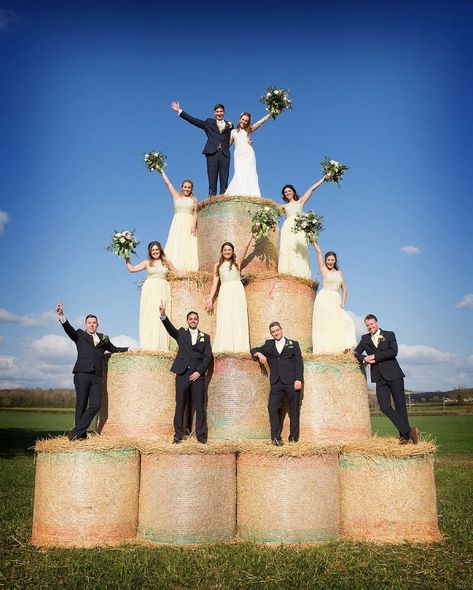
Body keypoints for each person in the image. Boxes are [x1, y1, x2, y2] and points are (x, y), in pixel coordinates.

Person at [56, 302, 128, 441]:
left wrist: (129, 349)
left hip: (97, 376)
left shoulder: (104, 338)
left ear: (97, 325)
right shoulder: (79, 335)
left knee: (96, 405)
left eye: (94, 322)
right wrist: (61, 316)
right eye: (89, 322)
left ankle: (75, 432)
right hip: (82, 374)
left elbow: (114, 348)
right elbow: (68, 329)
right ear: (85, 325)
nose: (91, 324)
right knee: (81, 404)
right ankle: (81, 435)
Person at [354, 314, 419, 444]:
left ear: (376, 322)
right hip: (379, 378)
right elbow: (356, 352)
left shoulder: (389, 334)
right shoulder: (365, 338)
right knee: (384, 407)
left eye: (371, 324)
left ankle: (404, 437)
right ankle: (409, 430)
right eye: (367, 325)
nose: (370, 327)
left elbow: (393, 352)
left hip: (395, 375)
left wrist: (374, 357)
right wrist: (364, 358)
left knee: (400, 407)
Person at [159, 301, 213, 443]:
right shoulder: (181, 334)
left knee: (200, 407)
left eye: (195, 318)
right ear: (187, 321)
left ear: (198, 320)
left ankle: (201, 437)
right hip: (182, 374)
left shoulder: (205, 337)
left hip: (198, 376)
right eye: (190, 319)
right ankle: (178, 435)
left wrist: (199, 372)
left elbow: (208, 356)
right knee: (180, 405)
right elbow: (170, 329)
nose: (193, 320)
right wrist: (163, 315)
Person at [251, 322, 304, 445]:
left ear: (281, 329)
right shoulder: (269, 345)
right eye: (273, 332)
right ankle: (276, 438)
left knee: (294, 411)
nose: (276, 333)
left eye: (277, 330)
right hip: (276, 383)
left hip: (292, 382)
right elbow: (253, 350)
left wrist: (298, 379)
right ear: (271, 333)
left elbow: (299, 363)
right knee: (272, 408)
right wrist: (259, 353)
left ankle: (293, 439)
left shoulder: (293, 344)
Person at [171, 101, 233, 196]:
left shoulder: (230, 124)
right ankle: (212, 200)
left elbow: (237, 134)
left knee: (224, 181)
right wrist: (179, 111)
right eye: (217, 111)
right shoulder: (209, 122)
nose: (219, 113)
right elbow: (194, 121)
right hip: (212, 153)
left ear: (224, 112)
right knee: (212, 180)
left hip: (225, 154)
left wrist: (247, 138)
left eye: (221, 111)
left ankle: (223, 199)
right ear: (214, 113)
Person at [125, 241, 177, 351]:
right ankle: (149, 345)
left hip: (162, 288)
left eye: (157, 249)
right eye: (153, 250)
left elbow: (177, 273)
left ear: (160, 250)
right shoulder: (147, 262)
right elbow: (132, 269)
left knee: (161, 314)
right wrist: (126, 256)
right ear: (150, 252)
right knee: (150, 315)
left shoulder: (166, 262)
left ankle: (161, 344)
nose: (155, 252)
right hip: (150, 290)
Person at [205, 237, 253, 353]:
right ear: (222, 252)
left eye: (229, 250)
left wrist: (252, 233)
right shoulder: (217, 265)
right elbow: (215, 283)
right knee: (225, 315)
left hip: (237, 290)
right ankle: (225, 345)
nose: (227, 252)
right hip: (225, 291)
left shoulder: (237, 262)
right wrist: (210, 299)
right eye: (225, 250)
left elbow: (245, 247)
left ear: (232, 251)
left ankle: (239, 346)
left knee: (238, 315)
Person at [278, 177, 327, 278]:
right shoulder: (283, 207)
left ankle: (298, 273)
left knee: (299, 247)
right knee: (288, 247)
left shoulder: (300, 202)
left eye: (289, 191)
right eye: (285, 192)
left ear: (293, 192)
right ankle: (287, 272)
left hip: (298, 227)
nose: (287, 193)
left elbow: (311, 189)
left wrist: (323, 179)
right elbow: (273, 213)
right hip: (287, 228)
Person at [312, 243, 356, 353]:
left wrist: (343, 302)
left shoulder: (339, 273)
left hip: (336, 299)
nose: (330, 262)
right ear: (326, 261)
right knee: (325, 323)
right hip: (324, 297)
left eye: (332, 260)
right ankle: (324, 350)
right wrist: (314, 241)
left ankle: (339, 349)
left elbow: (345, 289)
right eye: (328, 260)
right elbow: (318, 253)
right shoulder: (323, 269)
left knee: (344, 322)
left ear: (335, 261)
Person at [157, 170, 199, 272]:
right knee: (176, 241)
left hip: (189, 222)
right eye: (185, 187)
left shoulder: (194, 200)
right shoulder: (176, 196)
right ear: (182, 187)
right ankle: (173, 267)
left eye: (189, 187)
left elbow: (195, 213)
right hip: (177, 222)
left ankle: (187, 267)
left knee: (187, 242)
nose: (187, 189)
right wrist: (161, 171)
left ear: (191, 189)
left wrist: (194, 225)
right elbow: (168, 183)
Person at [225, 111, 271, 197]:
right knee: (239, 172)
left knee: (250, 173)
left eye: (246, 121)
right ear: (239, 119)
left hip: (249, 154)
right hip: (238, 155)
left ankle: (250, 194)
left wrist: (270, 114)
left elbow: (260, 122)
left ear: (248, 122)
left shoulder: (249, 131)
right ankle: (239, 193)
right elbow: (227, 145)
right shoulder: (233, 131)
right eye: (242, 119)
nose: (243, 122)